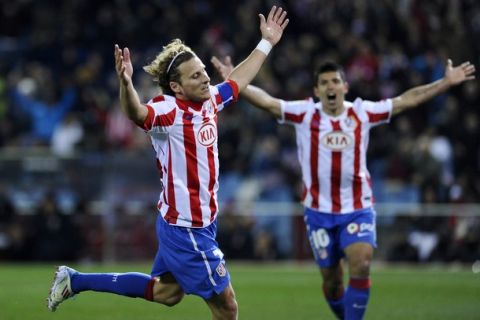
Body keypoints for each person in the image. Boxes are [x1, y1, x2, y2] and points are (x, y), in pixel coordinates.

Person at [46, 6, 288, 320]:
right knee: (227, 308)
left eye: (203, 71)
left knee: (167, 293)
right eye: (196, 75)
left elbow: (237, 82)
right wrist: (126, 84)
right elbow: (136, 113)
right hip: (186, 227)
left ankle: (75, 280)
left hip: (199, 222)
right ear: (176, 87)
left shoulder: (210, 100)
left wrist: (266, 42)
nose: (205, 78)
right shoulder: (168, 110)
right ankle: (74, 280)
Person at [211, 57, 475, 319]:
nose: (330, 87)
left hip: (357, 206)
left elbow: (407, 100)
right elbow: (267, 102)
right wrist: (237, 83)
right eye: (323, 83)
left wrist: (444, 82)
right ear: (316, 91)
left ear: (345, 87)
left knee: (361, 264)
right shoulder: (304, 113)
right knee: (333, 281)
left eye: (335, 81)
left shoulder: (362, 112)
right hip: (319, 212)